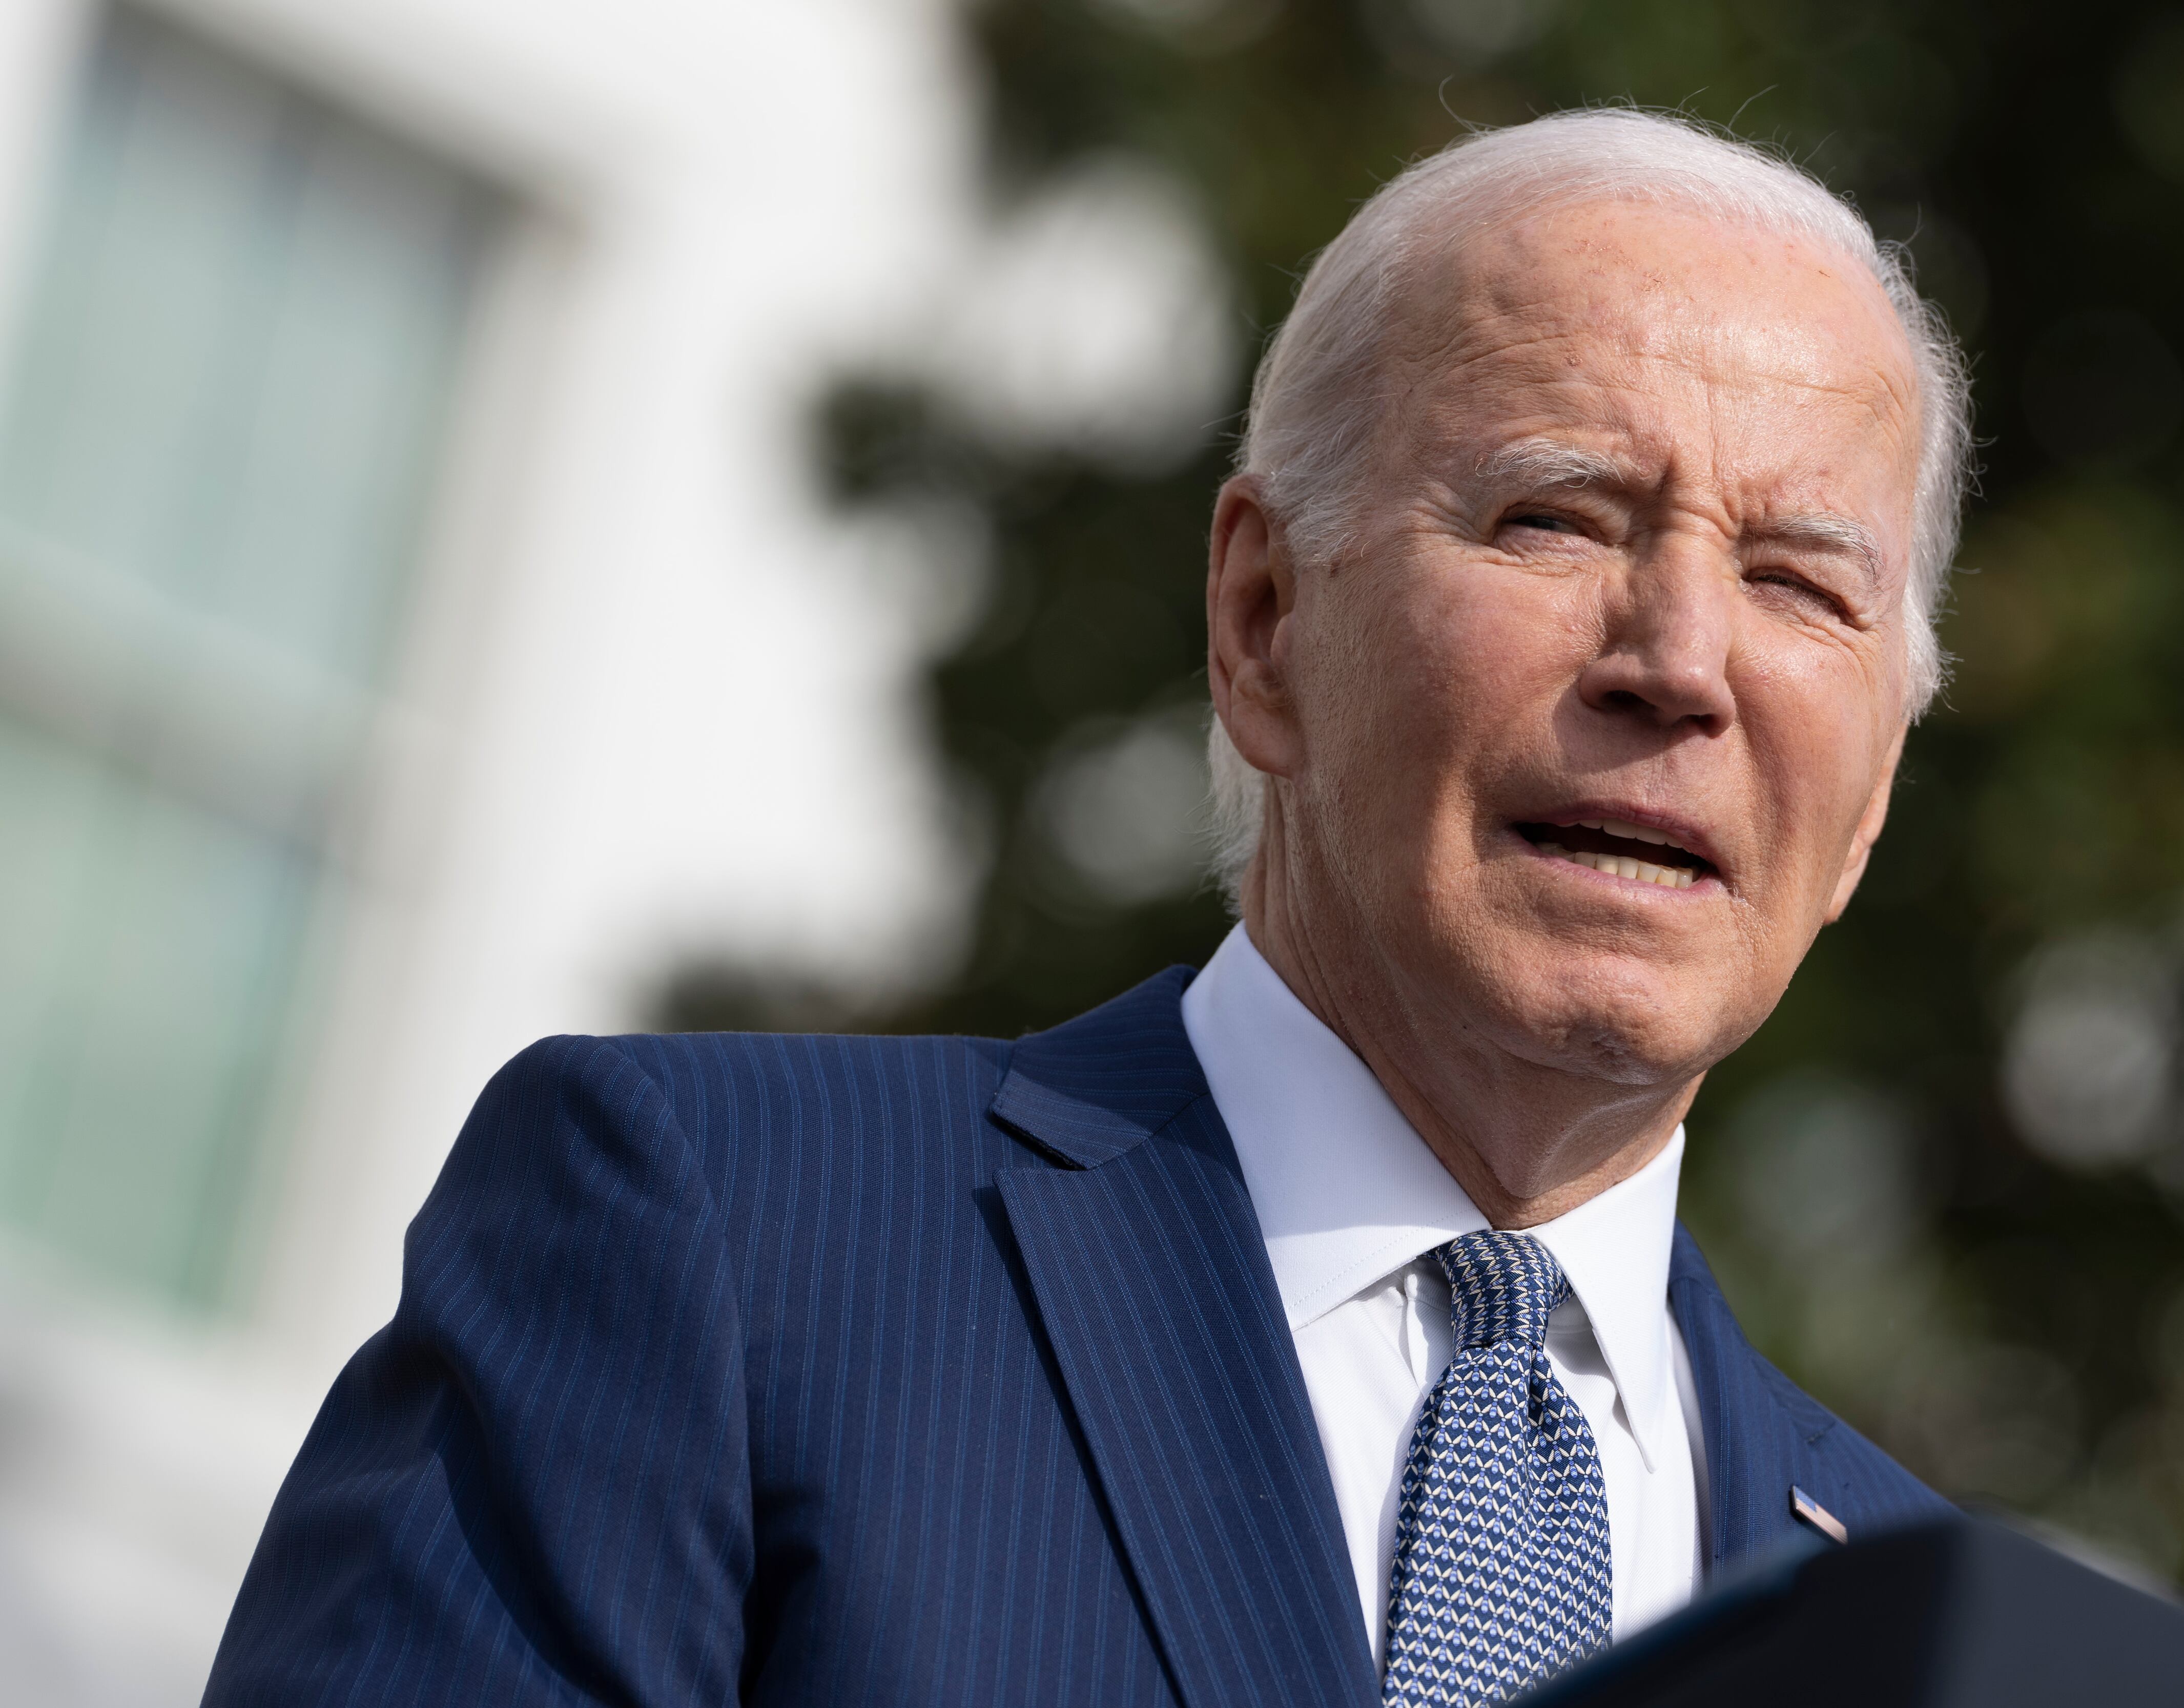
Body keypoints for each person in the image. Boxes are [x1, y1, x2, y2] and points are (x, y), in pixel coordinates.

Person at [207, 108, 1969, 1708]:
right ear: (1265, 621)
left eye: (1801, 585)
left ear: (1875, 788)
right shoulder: (727, 1246)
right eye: (1557, 519)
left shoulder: (1930, 1637)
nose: (1679, 664)